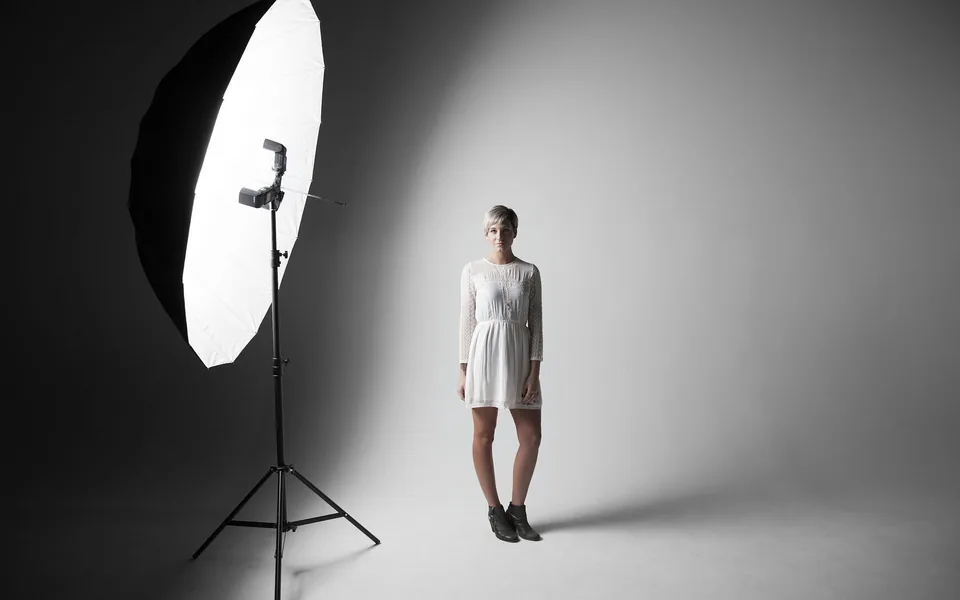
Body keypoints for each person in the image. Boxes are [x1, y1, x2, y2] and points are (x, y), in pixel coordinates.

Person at [458, 205, 543, 543]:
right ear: (486, 233)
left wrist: (534, 372)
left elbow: (536, 324)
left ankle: (517, 510)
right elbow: (466, 322)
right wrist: (463, 370)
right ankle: (495, 510)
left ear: (514, 232)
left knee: (531, 437)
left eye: (505, 229)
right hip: (483, 355)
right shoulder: (472, 270)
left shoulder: (529, 272)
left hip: (520, 356)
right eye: (493, 230)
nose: (499, 236)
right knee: (484, 435)